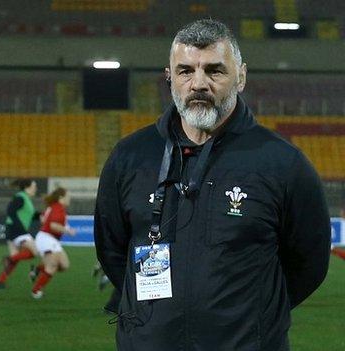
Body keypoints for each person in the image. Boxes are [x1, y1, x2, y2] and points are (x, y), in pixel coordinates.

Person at [94, 19, 331, 351]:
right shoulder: (130, 157)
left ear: (241, 77)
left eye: (215, 71)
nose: (198, 83)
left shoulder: (283, 162)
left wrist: (250, 315)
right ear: (170, 77)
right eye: (185, 71)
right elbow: (112, 250)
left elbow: (309, 262)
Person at [29, 187, 76, 299]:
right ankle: (36, 290)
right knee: (52, 266)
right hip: (47, 238)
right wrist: (68, 230)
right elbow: (53, 226)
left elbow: (43, 219)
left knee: (64, 265)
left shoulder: (54, 207)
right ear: (61, 197)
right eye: (67, 196)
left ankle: (37, 270)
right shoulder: (58, 208)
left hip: (48, 238)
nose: (69, 198)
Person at [0, 178, 39, 288]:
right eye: (34, 187)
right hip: (17, 229)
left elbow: (32, 215)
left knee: (15, 257)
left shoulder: (26, 199)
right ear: (27, 187)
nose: (36, 189)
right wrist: (19, 226)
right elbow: (10, 210)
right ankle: (10, 259)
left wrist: (42, 216)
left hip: (13, 229)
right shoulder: (21, 197)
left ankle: (1, 281)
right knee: (34, 251)